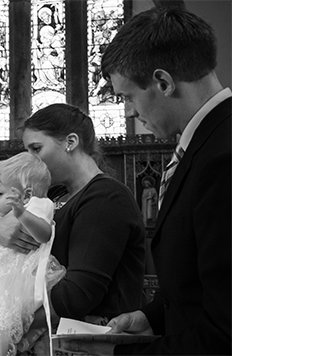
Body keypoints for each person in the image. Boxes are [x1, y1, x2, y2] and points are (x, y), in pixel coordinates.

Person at [62, 6, 232, 355]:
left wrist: (117, 354)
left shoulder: (225, 158)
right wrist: (153, 317)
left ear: (163, 83)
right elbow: (205, 288)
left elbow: (228, 334)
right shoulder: (206, 141)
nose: (130, 112)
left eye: (127, 96)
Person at [0, 103, 146, 354]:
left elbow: (77, 294)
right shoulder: (51, 196)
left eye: (36, 148)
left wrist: (4, 323)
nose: (29, 159)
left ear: (70, 142)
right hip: (42, 330)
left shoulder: (106, 197)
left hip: (87, 338)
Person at [0, 152, 66, 355]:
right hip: (2, 273)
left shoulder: (39, 205)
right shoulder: (14, 208)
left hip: (22, 273)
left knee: (6, 320)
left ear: (27, 195)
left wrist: (22, 213)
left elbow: (45, 233)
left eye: (0, 193)